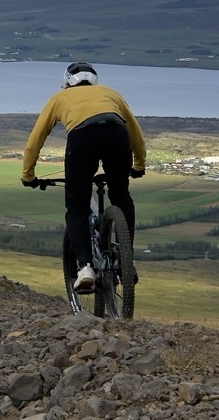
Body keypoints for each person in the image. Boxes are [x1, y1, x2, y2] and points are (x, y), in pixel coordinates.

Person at [21, 61, 146, 293]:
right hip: (116, 136)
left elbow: (35, 140)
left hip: (82, 139)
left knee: (77, 207)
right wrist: (139, 165)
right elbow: (135, 132)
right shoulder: (111, 93)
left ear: (67, 81)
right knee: (121, 194)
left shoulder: (59, 98)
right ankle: (127, 258)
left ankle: (85, 268)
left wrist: (28, 175)